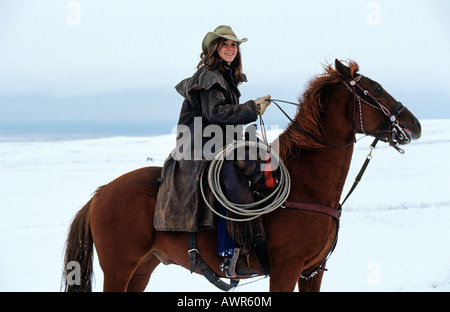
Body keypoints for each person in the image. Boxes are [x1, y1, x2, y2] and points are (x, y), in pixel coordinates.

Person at [154, 25, 271, 277]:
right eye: (226, 44)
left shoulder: (225, 76)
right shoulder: (209, 77)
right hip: (199, 146)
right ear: (214, 49)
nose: (231, 48)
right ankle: (227, 255)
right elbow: (215, 114)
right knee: (230, 180)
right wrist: (252, 109)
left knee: (261, 163)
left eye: (234, 45)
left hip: (217, 142)